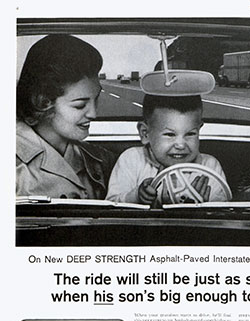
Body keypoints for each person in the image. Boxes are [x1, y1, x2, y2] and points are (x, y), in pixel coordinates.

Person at [16, 34, 116, 199]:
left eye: (96, 100)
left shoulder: (100, 158)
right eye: (80, 105)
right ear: (43, 102)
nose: (93, 114)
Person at [106, 95, 229, 204]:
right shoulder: (132, 159)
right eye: (170, 135)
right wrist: (136, 197)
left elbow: (224, 213)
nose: (180, 145)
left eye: (190, 134)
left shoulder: (210, 166)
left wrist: (203, 208)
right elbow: (111, 204)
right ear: (145, 134)